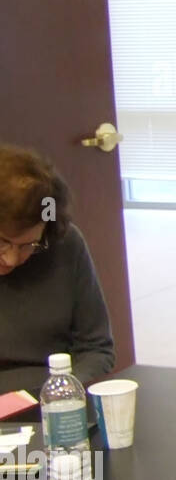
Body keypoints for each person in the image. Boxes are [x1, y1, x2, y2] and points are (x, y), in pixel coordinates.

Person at [0, 145, 114, 396]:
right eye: (3, 241)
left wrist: (65, 393)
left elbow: (96, 349)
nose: (11, 258)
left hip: (54, 400)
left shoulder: (64, 244)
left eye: (28, 245)